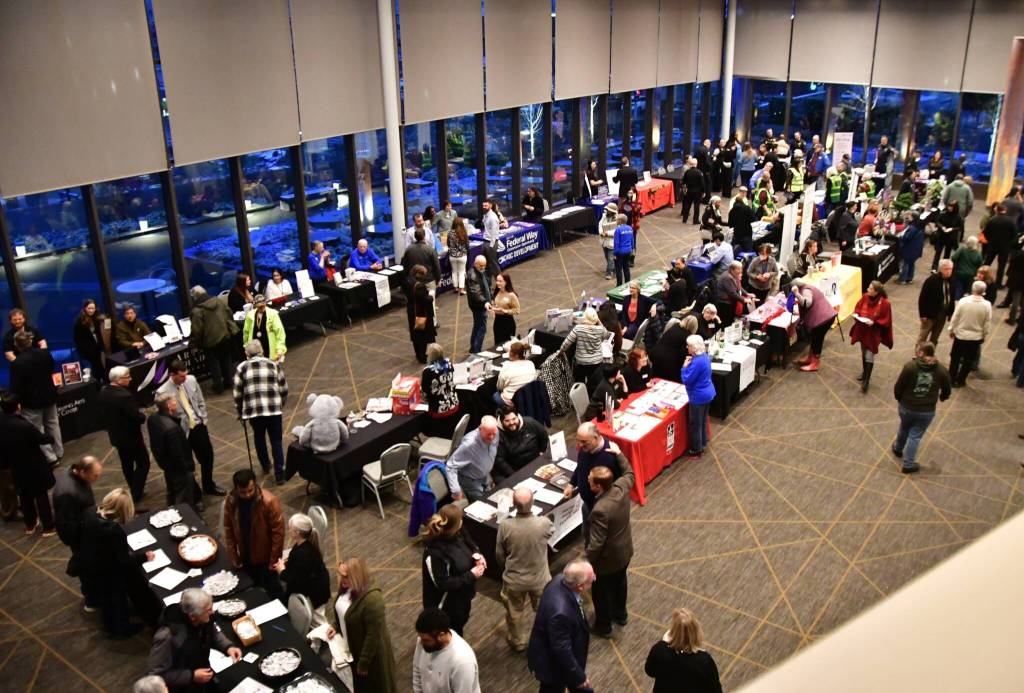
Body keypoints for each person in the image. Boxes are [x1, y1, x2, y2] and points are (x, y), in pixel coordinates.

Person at [80, 488, 161, 638]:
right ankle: (119, 630)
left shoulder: (91, 513)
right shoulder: (113, 530)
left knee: (108, 600)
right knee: (115, 600)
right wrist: (144, 557)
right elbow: (123, 560)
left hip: (91, 564)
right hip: (108, 573)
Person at [326, 557, 397, 692]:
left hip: (371, 658)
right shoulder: (346, 588)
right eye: (340, 574)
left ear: (356, 576)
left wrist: (363, 662)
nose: (341, 579)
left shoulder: (373, 601)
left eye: (345, 576)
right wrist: (336, 626)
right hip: (352, 648)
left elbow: (373, 636)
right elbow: (344, 612)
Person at [495, 488, 554, 651]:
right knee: (544, 611)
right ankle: (546, 638)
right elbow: (551, 532)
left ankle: (518, 641)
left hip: (514, 581)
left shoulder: (505, 526)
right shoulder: (543, 523)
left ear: (513, 504)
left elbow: (499, 555)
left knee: (515, 614)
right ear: (532, 503)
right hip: (540, 580)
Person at [147, 587, 242, 688]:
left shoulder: (204, 618)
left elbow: (213, 633)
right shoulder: (167, 636)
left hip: (202, 674)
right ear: (193, 616)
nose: (212, 612)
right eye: (208, 610)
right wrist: (191, 676)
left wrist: (228, 647)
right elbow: (156, 675)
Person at [527, 559, 597, 693]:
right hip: (553, 666)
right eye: (591, 578)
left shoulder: (559, 579)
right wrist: (579, 677)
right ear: (580, 586)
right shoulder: (561, 614)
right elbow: (562, 650)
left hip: (558, 658)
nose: (594, 578)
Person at [158, 360, 224, 496]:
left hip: (198, 426)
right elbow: (164, 418)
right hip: (181, 433)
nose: (185, 378)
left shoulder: (191, 380)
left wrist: (203, 418)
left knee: (207, 457)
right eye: (182, 376)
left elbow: (200, 400)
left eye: (186, 374)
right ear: (172, 375)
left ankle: (208, 486)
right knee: (188, 466)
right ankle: (196, 495)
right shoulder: (162, 392)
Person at [586, 458, 635, 638]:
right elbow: (629, 472)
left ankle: (604, 626)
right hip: (625, 551)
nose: (587, 480)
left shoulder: (601, 510)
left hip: (607, 561)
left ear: (597, 486)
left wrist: (586, 561)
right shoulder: (621, 487)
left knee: (601, 594)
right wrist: (619, 453)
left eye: (590, 480)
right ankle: (620, 615)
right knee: (620, 583)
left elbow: (597, 542)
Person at [420, 504, 484, 635]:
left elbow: (470, 542)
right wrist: (471, 575)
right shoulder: (435, 553)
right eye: (460, 520)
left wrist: (477, 554)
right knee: (452, 630)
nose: (462, 522)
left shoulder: (458, 531)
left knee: (462, 619)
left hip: (462, 594)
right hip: (446, 603)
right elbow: (443, 583)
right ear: (454, 525)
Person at [0, 393, 57, 537]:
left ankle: (30, 524)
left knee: (24, 496)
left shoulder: (3, 423)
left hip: (15, 466)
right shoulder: (24, 425)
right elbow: (41, 439)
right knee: (40, 495)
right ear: (18, 407)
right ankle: (49, 527)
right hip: (33, 464)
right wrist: (50, 436)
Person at [233, 339, 289, 482]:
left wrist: (240, 411)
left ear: (247, 354)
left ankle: (265, 465)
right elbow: (283, 388)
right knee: (276, 441)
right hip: (273, 411)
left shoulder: (242, 368)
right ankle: (280, 474)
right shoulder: (273, 364)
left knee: (259, 438)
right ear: (262, 350)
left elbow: (237, 393)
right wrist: (280, 404)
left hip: (254, 412)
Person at [563, 423, 628, 544]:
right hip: (588, 505)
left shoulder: (610, 456)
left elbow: (619, 485)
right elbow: (580, 467)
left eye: (584, 442)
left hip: (602, 511)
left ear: (596, 437)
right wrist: (571, 484)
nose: (580, 445)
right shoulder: (585, 450)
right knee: (587, 535)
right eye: (579, 441)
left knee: (600, 542)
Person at [224, 468, 285, 596]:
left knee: (273, 591)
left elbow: (278, 535)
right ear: (236, 489)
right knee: (252, 590)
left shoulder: (269, 502)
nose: (246, 495)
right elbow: (228, 527)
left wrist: (273, 562)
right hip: (245, 553)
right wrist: (233, 554)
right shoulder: (231, 501)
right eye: (242, 492)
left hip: (265, 557)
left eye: (250, 491)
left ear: (255, 485)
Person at [892, 342, 951, 474]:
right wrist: (942, 397)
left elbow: (899, 386)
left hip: (907, 406)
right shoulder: (941, 370)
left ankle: (898, 448)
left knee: (904, 427)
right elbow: (947, 389)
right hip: (926, 410)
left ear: (921, 353)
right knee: (915, 436)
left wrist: (899, 398)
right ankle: (908, 464)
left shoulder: (910, 367)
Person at [53, 455, 103, 610]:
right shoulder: (67, 493)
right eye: (95, 476)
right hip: (79, 536)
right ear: (82, 472)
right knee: (87, 567)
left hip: (84, 527)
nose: (97, 478)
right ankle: (92, 600)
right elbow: (67, 524)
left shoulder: (75, 475)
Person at [9, 330, 63, 464]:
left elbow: (16, 387)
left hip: (31, 402)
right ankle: (59, 451)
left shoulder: (17, 363)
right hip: (49, 395)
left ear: (16, 345)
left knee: (37, 429)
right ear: (30, 341)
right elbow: (51, 369)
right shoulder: (44, 354)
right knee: (53, 424)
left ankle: (51, 458)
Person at [99, 365, 150, 502]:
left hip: (116, 436)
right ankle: (136, 493)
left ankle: (133, 488)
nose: (130, 379)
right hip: (131, 437)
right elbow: (138, 418)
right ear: (119, 380)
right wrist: (142, 415)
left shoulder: (104, 392)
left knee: (126, 464)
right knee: (143, 463)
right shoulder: (125, 396)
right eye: (128, 377)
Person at [644, 608, 723, 693]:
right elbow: (715, 689)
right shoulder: (704, 661)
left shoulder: (659, 650)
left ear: (673, 630)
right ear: (696, 631)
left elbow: (650, 671)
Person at [272, 513, 331, 621]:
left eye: (290, 529)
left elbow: (293, 579)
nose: (288, 530)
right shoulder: (302, 544)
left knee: (319, 622)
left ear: (297, 533)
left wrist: (281, 570)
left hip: (315, 594)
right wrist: (284, 565)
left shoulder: (303, 554)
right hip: (314, 585)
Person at [147, 393, 199, 509]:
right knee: (184, 500)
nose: (177, 402)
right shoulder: (172, 429)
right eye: (175, 401)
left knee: (172, 493)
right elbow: (178, 454)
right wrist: (188, 469)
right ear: (169, 406)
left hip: (167, 466)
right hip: (179, 470)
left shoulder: (152, 419)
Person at [412, 608, 482, 693]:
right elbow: (417, 671)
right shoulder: (423, 641)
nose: (421, 643)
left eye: (426, 640)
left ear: (441, 635)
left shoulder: (462, 663)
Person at [188, 285, 238, 393]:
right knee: (226, 359)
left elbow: (197, 330)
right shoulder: (219, 301)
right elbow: (229, 315)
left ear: (195, 297)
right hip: (224, 335)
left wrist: (194, 344)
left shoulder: (197, 310)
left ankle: (218, 387)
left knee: (214, 364)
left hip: (210, 340)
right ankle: (229, 382)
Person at [850, 281, 894, 392]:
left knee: (869, 354)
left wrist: (874, 322)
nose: (868, 289)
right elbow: (858, 308)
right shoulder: (865, 297)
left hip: (873, 333)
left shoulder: (885, 303)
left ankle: (866, 381)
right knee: (863, 352)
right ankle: (864, 372)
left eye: (870, 289)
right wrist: (856, 314)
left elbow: (886, 319)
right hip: (862, 330)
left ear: (876, 292)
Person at [948, 280, 992, 387]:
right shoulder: (987, 305)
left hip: (961, 335)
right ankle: (961, 379)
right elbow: (987, 322)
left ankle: (951, 378)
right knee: (968, 359)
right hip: (975, 337)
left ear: (972, 289)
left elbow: (956, 317)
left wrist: (951, 329)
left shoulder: (963, 301)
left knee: (955, 357)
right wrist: (984, 335)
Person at [445, 416, 499, 502]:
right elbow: (451, 466)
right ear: (480, 429)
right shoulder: (469, 445)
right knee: (482, 505)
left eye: (494, 433)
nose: (492, 437)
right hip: (471, 480)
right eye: (488, 434)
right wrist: (456, 490)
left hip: (485, 475)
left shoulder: (495, 432)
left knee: (493, 500)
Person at [792, 278, 838, 372]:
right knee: (814, 338)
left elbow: (807, 303)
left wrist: (796, 293)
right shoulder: (808, 287)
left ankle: (815, 364)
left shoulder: (805, 290)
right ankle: (809, 358)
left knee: (817, 340)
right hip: (825, 316)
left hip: (823, 319)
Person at [493, 404, 547, 483]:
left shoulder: (530, 422)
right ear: (501, 421)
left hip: (537, 463)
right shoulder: (497, 435)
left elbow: (544, 436)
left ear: (518, 416)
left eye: (514, 418)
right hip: (515, 471)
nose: (511, 423)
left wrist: (543, 454)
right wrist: (516, 476)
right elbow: (500, 461)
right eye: (507, 421)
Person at [681, 336, 715, 458]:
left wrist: (684, 367)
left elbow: (687, 380)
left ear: (694, 348)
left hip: (698, 397)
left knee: (695, 424)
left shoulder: (696, 362)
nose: (687, 347)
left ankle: (696, 450)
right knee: (702, 421)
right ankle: (703, 443)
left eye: (688, 345)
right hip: (708, 393)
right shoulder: (704, 356)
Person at [558, 307, 609, 384]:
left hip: (581, 362)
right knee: (594, 384)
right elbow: (607, 335)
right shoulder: (600, 329)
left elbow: (566, 343)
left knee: (579, 383)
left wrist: (561, 351)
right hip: (597, 362)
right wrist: (598, 320)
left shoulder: (578, 328)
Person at [421, 343, 462, 438]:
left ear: (431, 356)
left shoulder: (428, 371)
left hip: (439, 410)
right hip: (454, 404)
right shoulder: (449, 363)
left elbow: (425, 393)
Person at [918, 259, 955, 345]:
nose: (949, 271)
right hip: (930, 314)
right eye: (946, 269)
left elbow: (951, 298)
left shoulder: (952, 280)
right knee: (923, 336)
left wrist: (951, 313)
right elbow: (923, 298)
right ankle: (918, 354)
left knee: (935, 336)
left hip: (943, 314)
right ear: (941, 269)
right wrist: (922, 314)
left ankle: (930, 353)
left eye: (951, 269)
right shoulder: (931, 281)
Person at [242, 294, 287, 363]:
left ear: (265, 303)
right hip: (255, 350)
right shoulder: (250, 315)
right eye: (259, 306)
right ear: (255, 305)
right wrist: (246, 346)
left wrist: (280, 349)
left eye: (263, 306)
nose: (261, 308)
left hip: (269, 349)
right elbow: (246, 332)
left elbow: (280, 333)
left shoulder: (273, 314)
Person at [650, 316, 697, 381]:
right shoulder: (687, 336)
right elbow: (683, 355)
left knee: (657, 375)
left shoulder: (675, 326)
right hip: (667, 360)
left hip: (655, 353)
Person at [72, 299, 108, 382]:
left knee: (99, 370)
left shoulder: (95, 319)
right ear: (85, 308)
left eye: (93, 308)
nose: (91, 310)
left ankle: (102, 384)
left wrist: (102, 347)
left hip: (96, 350)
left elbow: (99, 335)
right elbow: (77, 338)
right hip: (87, 352)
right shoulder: (80, 321)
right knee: (92, 372)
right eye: (89, 308)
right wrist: (88, 350)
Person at [982, 204, 1016, 289]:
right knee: (1001, 266)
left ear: (997, 210)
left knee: (987, 262)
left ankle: (982, 278)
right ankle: (998, 284)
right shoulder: (1010, 221)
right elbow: (1014, 234)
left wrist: (990, 240)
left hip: (992, 245)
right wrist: (1009, 243)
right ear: (1005, 210)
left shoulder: (992, 220)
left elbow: (986, 233)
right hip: (1004, 247)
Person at [495, 340, 537, 407]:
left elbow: (499, 387)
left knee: (496, 395)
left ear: (516, 355)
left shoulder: (507, 366)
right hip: (528, 397)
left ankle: (503, 414)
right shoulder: (531, 364)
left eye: (510, 351)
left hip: (512, 400)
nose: (508, 353)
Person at [410, 265, 436, 363]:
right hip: (422, 313)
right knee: (423, 337)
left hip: (413, 311)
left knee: (416, 336)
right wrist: (430, 296)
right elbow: (425, 300)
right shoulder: (420, 286)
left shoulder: (410, 282)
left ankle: (418, 354)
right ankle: (422, 356)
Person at [715, 261, 755, 325]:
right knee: (727, 322)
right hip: (725, 304)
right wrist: (744, 299)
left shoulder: (734, 274)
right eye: (738, 269)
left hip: (731, 302)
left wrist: (747, 294)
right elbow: (732, 293)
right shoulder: (727, 277)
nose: (740, 271)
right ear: (732, 269)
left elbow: (739, 287)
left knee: (731, 319)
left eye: (741, 268)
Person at [466, 255, 492, 354]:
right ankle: (477, 352)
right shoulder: (472, 276)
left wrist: (491, 298)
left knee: (477, 326)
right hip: (478, 306)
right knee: (482, 329)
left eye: (484, 266)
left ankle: (473, 348)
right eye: (481, 265)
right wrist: (485, 302)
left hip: (481, 304)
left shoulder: (480, 271)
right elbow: (476, 292)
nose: (483, 268)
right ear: (475, 264)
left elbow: (486, 286)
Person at [934, 201, 965, 273]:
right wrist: (942, 227)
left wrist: (952, 229)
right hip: (941, 235)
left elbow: (960, 227)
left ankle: (943, 267)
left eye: (951, 207)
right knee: (938, 252)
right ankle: (935, 267)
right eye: (949, 206)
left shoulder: (958, 217)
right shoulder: (943, 214)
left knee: (947, 253)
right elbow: (938, 222)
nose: (950, 208)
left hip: (950, 237)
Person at [491, 271, 520, 347]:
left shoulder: (511, 295)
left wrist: (505, 311)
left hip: (508, 323)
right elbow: (494, 303)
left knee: (507, 345)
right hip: (497, 323)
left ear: (506, 282)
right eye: (497, 281)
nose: (497, 283)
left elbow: (517, 310)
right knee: (498, 345)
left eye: (500, 281)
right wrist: (492, 309)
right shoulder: (496, 292)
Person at [897, 211, 927, 284]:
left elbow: (907, 237)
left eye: (910, 216)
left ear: (913, 217)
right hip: (916, 248)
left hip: (909, 249)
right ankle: (909, 278)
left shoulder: (913, 227)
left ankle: (902, 279)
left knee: (906, 263)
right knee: (911, 263)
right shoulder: (920, 225)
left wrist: (900, 237)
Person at [951, 235, 983, 300]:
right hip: (971, 276)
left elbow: (953, 258)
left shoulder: (962, 249)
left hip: (960, 273)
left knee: (958, 289)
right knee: (967, 292)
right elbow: (979, 265)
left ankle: (956, 303)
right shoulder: (978, 254)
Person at [448, 217, 470, 295]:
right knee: (462, 272)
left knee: (454, 272)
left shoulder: (450, 232)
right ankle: (461, 289)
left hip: (452, 256)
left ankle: (455, 288)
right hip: (462, 256)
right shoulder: (463, 232)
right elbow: (467, 244)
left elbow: (448, 243)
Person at [598, 202, 619, 280]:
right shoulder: (604, 216)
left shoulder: (617, 218)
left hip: (611, 241)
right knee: (607, 257)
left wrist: (607, 233)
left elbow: (616, 231)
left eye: (608, 209)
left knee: (610, 258)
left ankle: (609, 272)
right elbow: (600, 224)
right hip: (604, 240)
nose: (607, 210)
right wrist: (601, 232)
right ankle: (614, 268)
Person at [681, 157, 705, 224]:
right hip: (697, 192)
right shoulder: (699, 172)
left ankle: (684, 219)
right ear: (696, 164)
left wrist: (685, 189)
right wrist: (703, 191)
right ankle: (695, 220)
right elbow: (702, 183)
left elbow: (683, 182)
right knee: (696, 206)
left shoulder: (687, 172)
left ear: (690, 164)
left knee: (687, 205)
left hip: (689, 191)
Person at [612, 213, 634, 284]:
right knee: (626, 268)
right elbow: (632, 241)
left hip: (620, 252)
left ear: (620, 221)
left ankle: (619, 285)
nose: (616, 221)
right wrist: (631, 249)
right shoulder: (630, 228)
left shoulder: (618, 230)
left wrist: (615, 254)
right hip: (628, 251)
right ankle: (628, 284)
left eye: (617, 220)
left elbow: (616, 243)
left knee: (619, 270)